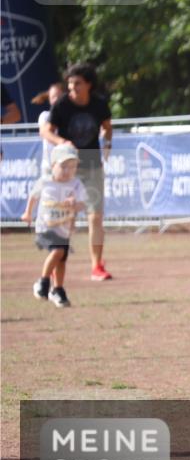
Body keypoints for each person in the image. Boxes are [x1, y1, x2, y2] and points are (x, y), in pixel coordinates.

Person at [40, 64, 113, 281]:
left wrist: (107, 142)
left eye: (77, 83)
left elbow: (107, 126)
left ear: (89, 84)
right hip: (67, 169)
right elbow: (45, 130)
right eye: (70, 83)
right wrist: (61, 141)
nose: (72, 87)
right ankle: (55, 264)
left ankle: (96, 266)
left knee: (96, 217)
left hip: (92, 165)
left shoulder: (99, 104)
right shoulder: (62, 105)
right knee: (64, 220)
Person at [21, 143, 88, 308]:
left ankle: (57, 290)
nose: (68, 171)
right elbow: (33, 196)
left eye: (72, 167)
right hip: (45, 227)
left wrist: (75, 203)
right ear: (53, 165)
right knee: (57, 251)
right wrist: (28, 213)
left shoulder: (76, 184)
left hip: (63, 229)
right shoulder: (45, 181)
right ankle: (43, 282)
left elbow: (83, 204)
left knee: (61, 259)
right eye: (63, 166)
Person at [33, 82, 66, 170]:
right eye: (52, 97)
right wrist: (63, 143)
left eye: (58, 97)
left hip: (68, 165)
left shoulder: (71, 116)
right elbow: (44, 133)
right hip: (50, 166)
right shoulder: (45, 116)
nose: (55, 100)